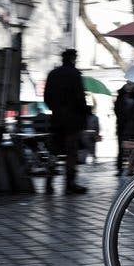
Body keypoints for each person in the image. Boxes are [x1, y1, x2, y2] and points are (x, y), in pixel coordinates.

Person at [44, 48, 88, 194]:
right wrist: (83, 114)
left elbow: (47, 98)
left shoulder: (53, 74)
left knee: (54, 151)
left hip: (57, 118)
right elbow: (80, 98)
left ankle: (48, 182)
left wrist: (56, 109)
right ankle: (69, 184)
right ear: (73, 59)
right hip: (72, 120)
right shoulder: (75, 74)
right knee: (71, 152)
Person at [114, 83, 134, 175]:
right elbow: (117, 110)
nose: (129, 87)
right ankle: (120, 169)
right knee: (121, 148)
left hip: (132, 125)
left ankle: (131, 168)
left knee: (133, 147)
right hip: (122, 125)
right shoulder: (120, 97)